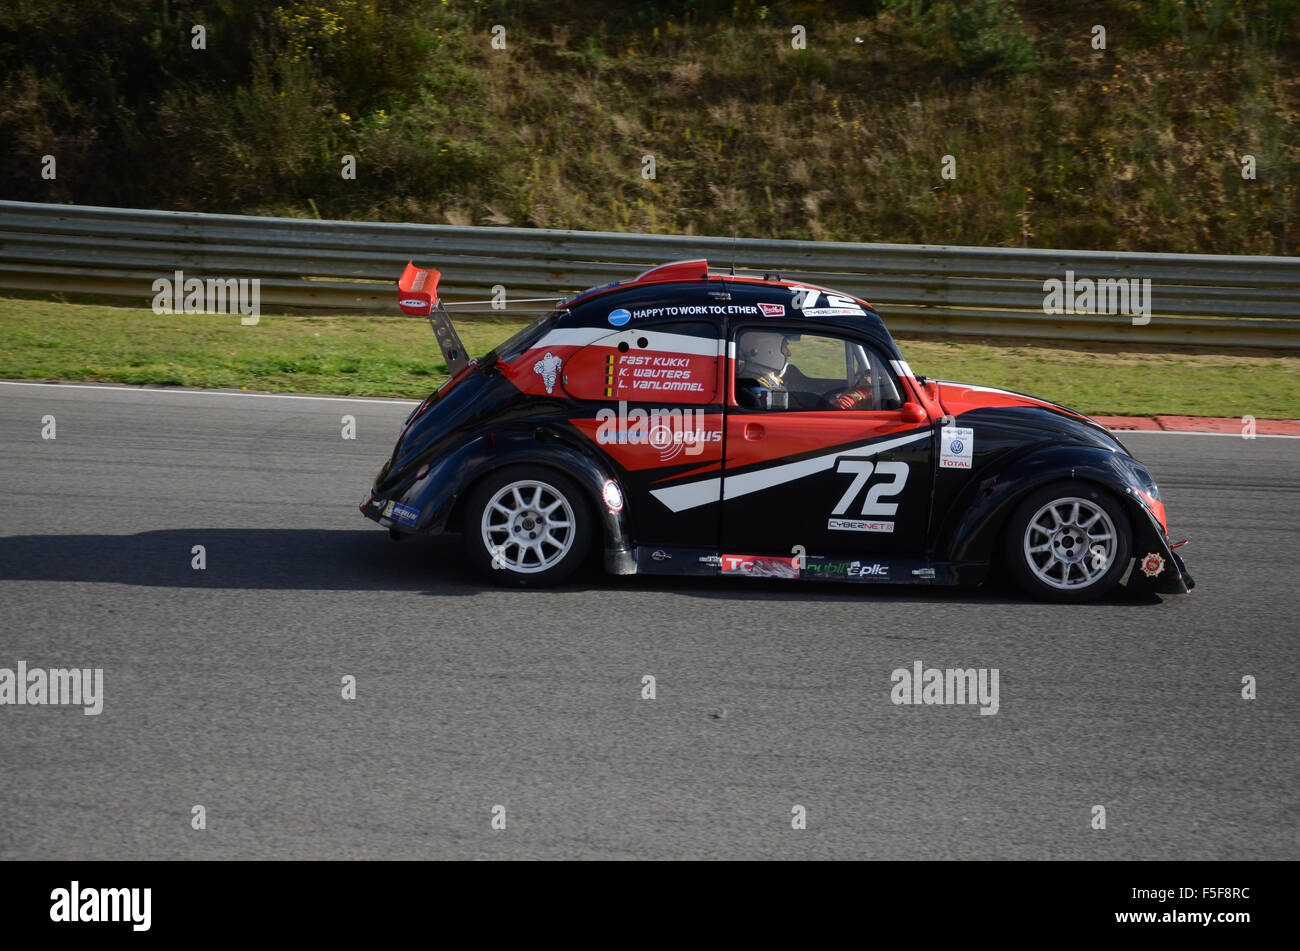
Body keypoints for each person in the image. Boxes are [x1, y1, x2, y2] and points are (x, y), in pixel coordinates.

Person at [736, 331, 874, 410]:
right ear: (768, 351)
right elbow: (827, 415)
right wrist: (861, 392)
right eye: (785, 347)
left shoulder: (762, 382)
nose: (789, 354)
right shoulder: (758, 390)